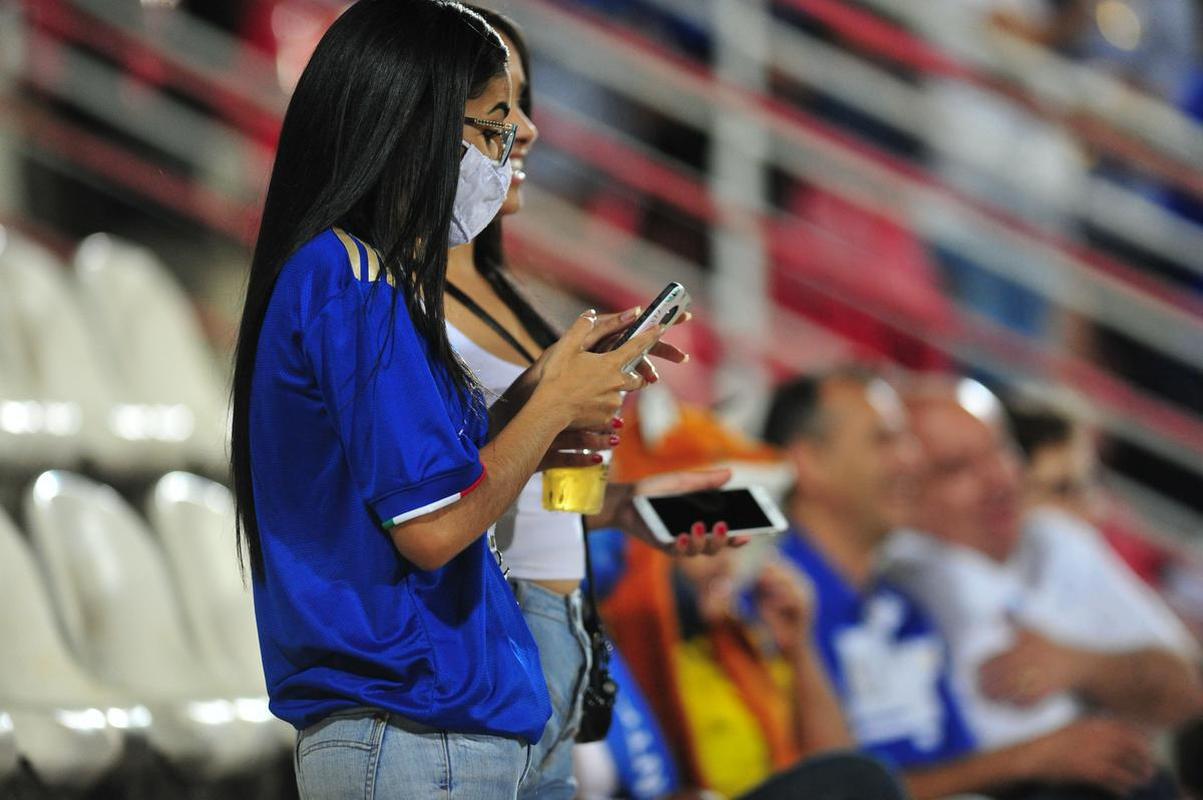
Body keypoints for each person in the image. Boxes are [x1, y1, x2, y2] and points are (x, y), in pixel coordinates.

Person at [229, 2, 666, 797]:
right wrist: (549, 405)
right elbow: (431, 527)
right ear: (411, 122)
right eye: (492, 127)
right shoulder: (348, 279)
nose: (512, 146)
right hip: (407, 719)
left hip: (445, 711)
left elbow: (430, 480)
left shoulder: (373, 282)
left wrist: (538, 399)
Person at [762, 367, 1180, 800]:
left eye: (906, 441)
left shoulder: (901, 604)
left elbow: (960, 765)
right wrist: (1036, 756)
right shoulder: (772, 604)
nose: (910, 460)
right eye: (884, 440)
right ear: (809, 463)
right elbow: (838, 791)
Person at [885, 376, 1202, 797]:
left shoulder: (1057, 540)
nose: (998, 479)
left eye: (1002, 449)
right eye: (957, 467)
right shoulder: (895, 579)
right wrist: (1039, 756)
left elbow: (1185, 692)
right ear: (900, 487)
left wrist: (1081, 665)